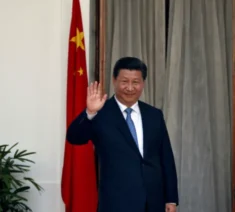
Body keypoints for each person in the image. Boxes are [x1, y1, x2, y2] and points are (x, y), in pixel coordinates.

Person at [66, 57, 179, 212]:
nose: (130, 88)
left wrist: (171, 199)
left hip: (153, 201)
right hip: (116, 201)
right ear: (114, 81)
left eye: (136, 82)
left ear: (143, 83)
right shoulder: (101, 113)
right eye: (125, 81)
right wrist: (90, 112)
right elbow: (74, 137)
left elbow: (166, 158)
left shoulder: (154, 115)